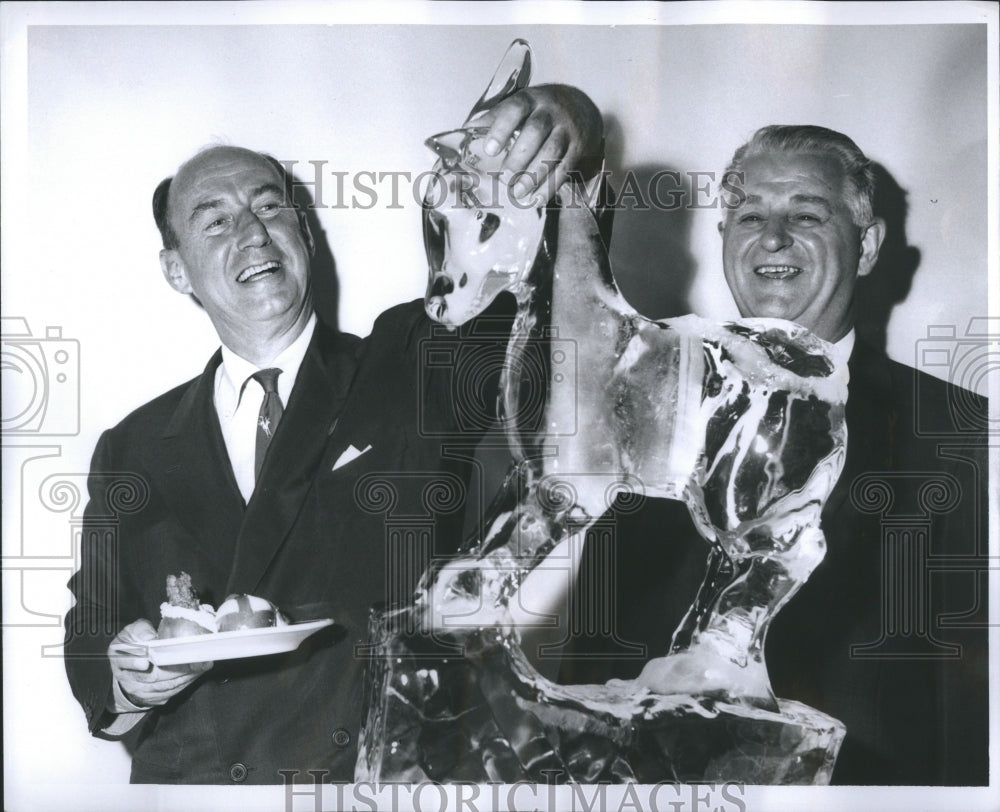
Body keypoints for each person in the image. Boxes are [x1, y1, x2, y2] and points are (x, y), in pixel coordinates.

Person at [62, 84, 603, 784]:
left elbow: (547, 338)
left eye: (268, 207)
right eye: (215, 221)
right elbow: (90, 637)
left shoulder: (409, 358)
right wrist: (130, 674)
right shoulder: (132, 446)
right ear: (177, 271)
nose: (253, 234)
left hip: (379, 783)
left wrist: (570, 129)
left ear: (306, 233)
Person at [559, 125, 990, 785]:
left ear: (868, 245)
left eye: (806, 215)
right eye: (751, 216)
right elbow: (593, 645)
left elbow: (970, 697)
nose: (773, 237)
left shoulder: (954, 430)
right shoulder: (644, 400)